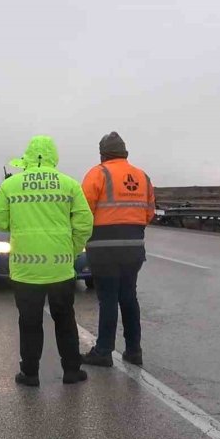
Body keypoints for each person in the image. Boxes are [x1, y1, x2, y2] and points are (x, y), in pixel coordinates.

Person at [0, 136, 94, 387]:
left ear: (27, 155)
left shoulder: (11, 185)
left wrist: (20, 224)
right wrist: (69, 249)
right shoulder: (69, 184)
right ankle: (71, 371)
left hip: (26, 269)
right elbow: (84, 222)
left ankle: (30, 373)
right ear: (53, 156)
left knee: (29, 322)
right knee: (65, 320)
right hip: (59, 267)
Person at [80, 132, 155, 368]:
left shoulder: (98, 173)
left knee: (109, 299)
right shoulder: (142, 176)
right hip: (133, 249)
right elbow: (149, 212)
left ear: (103, 153)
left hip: (104, 250)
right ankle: (134, 351)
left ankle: (103, 351)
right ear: (125, 153)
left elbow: (83, 211)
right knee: (129, 297)